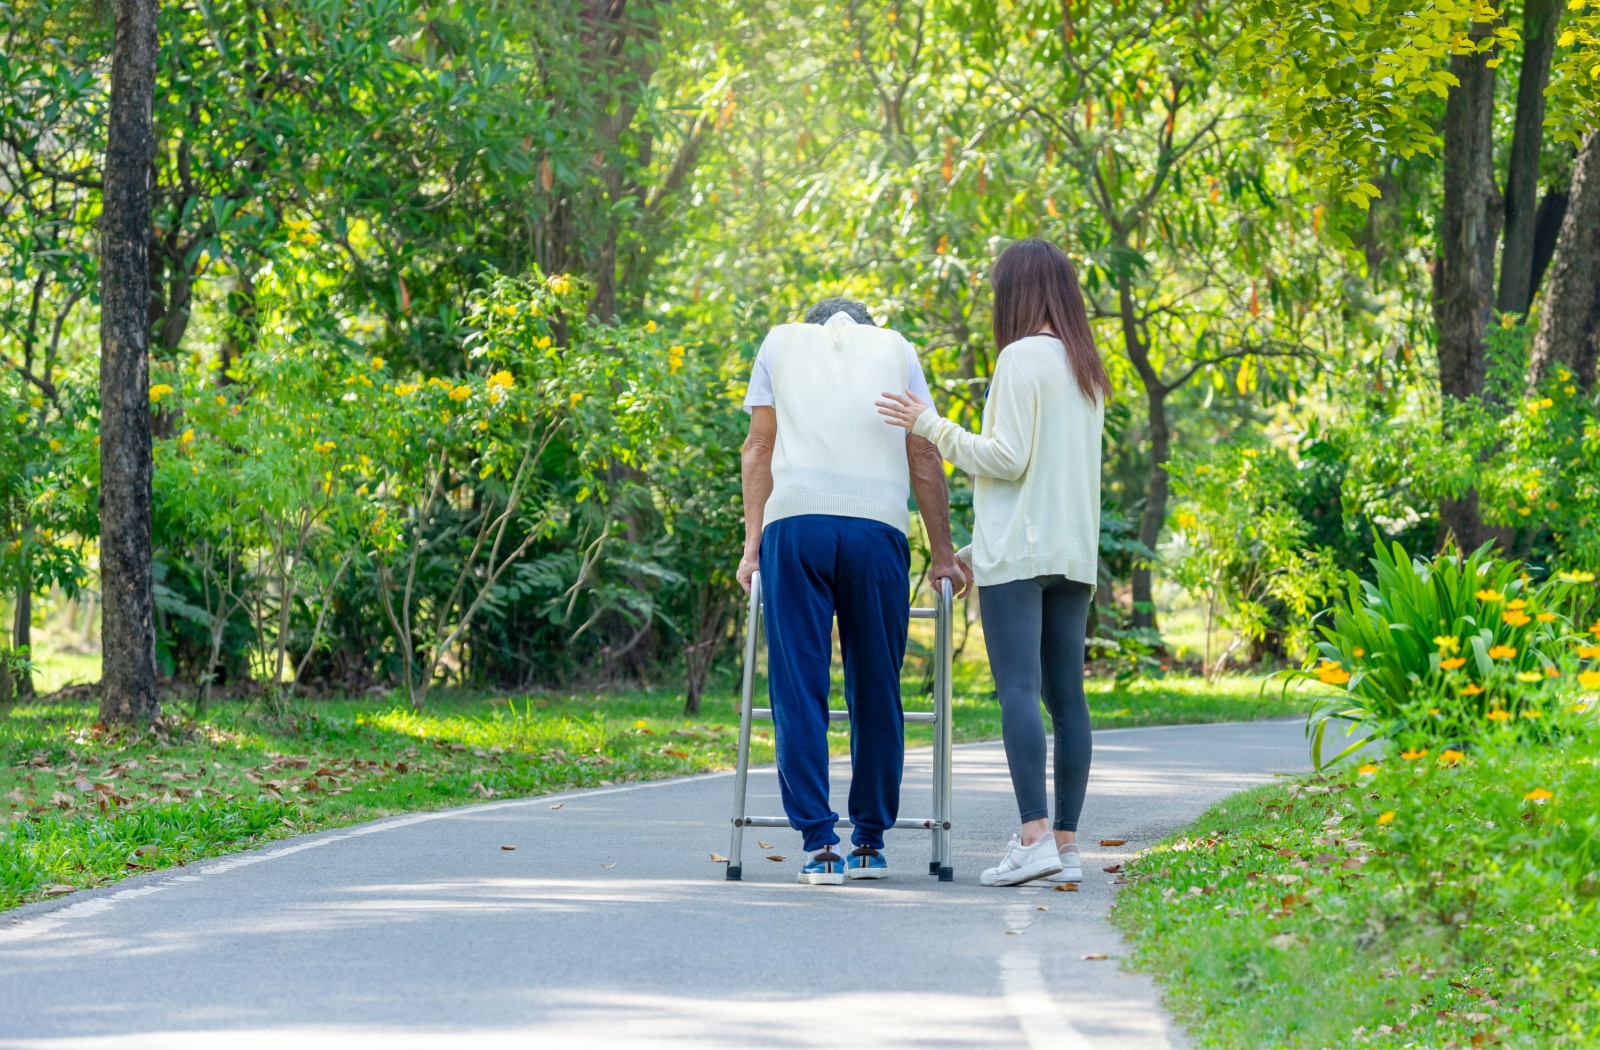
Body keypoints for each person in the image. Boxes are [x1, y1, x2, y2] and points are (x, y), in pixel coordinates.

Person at [877, 240, 1110, 887]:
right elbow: (1051, 482)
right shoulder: (1086, 368)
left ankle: (1032, 835)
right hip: (1072, 555)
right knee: (1068, 699)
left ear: (1016, 292)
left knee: (1017, 691)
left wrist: (930, 425)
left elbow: (1006, 460)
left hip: (1023, 559)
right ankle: (1064, 844)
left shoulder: (1019, 359)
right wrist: (979, 551)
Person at [738, 297, 968, 886]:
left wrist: (750, 546)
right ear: (867, 329)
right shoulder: (895, 349)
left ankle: (819, 846)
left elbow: (759, 447)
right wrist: (944, 554)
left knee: (798, 686)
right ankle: (869, 843)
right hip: (877, 528)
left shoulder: (780, 342)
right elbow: (923, 449)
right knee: (876, 686)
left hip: (797, 523)